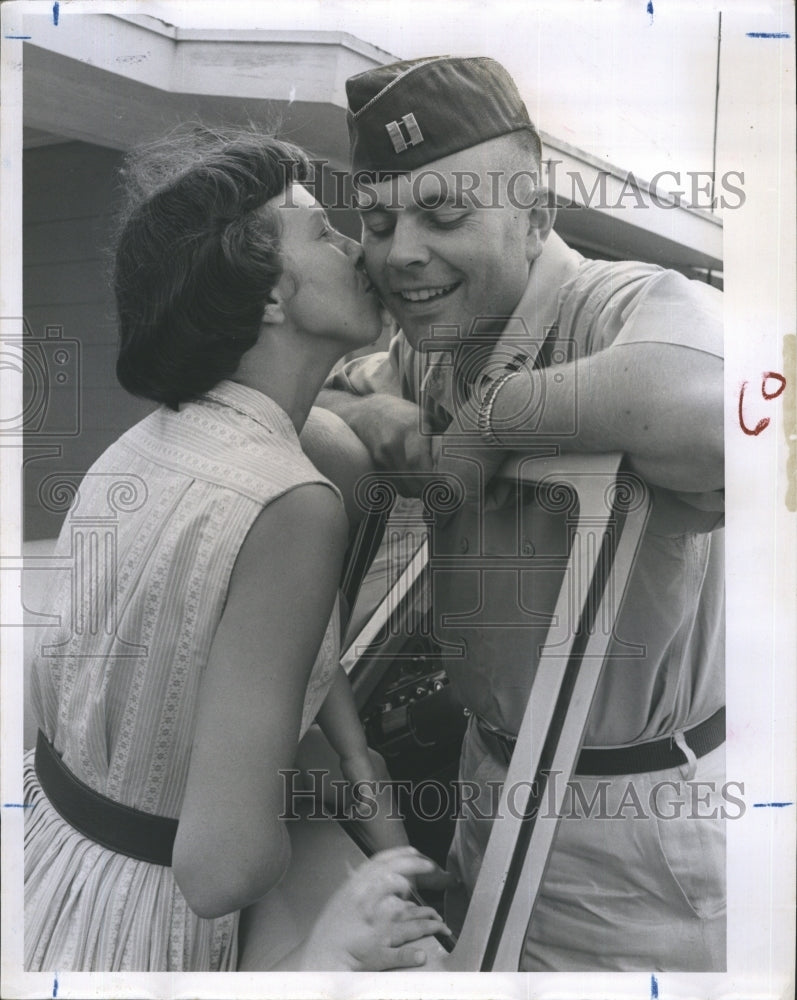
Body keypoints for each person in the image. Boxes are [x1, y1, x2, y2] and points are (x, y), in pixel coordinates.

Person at [317, 56, 725, 971]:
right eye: (377, 222)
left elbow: (728, 414)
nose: (400, 252)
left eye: (444, 214)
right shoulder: (436, 339)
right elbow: (329, 394)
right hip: (488, 785)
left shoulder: (619, 304)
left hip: (631, 837)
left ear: (537, 217)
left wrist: (488, 427)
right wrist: (380, 413)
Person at [23, 129, 450, 972]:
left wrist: (352, 755)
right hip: (144, 933)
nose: (357, 247)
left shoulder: (148, 441)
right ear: (268, 297)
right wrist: (330, 938)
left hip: (53, 870)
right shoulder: (291, 504)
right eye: (322, 231)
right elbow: (223, 870)